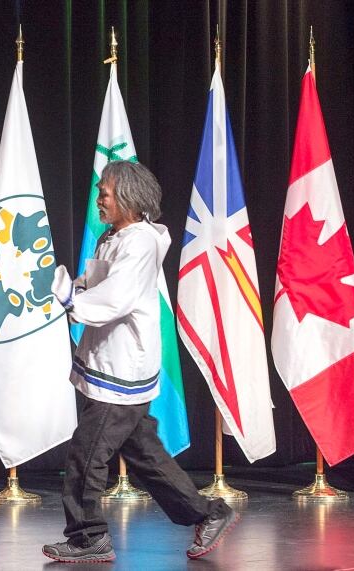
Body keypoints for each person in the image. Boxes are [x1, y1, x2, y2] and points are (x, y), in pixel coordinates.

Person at [44, 160, 239, 563]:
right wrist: (81, 285)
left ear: (130, 198)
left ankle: (88, 536)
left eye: (106, 193)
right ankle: (208, 514)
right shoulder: (116, 237)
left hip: (121, 369)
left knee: (86, 455)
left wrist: (71, 298)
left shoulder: (140, 241)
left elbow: (117, 298)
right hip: (110, 363)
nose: (99, 198)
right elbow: (104, 282)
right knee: (146, 456)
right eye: (100, 191)